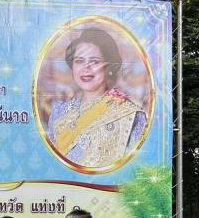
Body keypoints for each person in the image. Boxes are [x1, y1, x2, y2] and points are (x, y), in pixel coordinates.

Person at [46, 27, 147, 169]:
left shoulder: (130, 115)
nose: (85, 68)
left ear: (109, 67)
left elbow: (136, 168)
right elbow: (50, 165)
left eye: (94, 61)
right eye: (79, 61)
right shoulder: (59, 112)